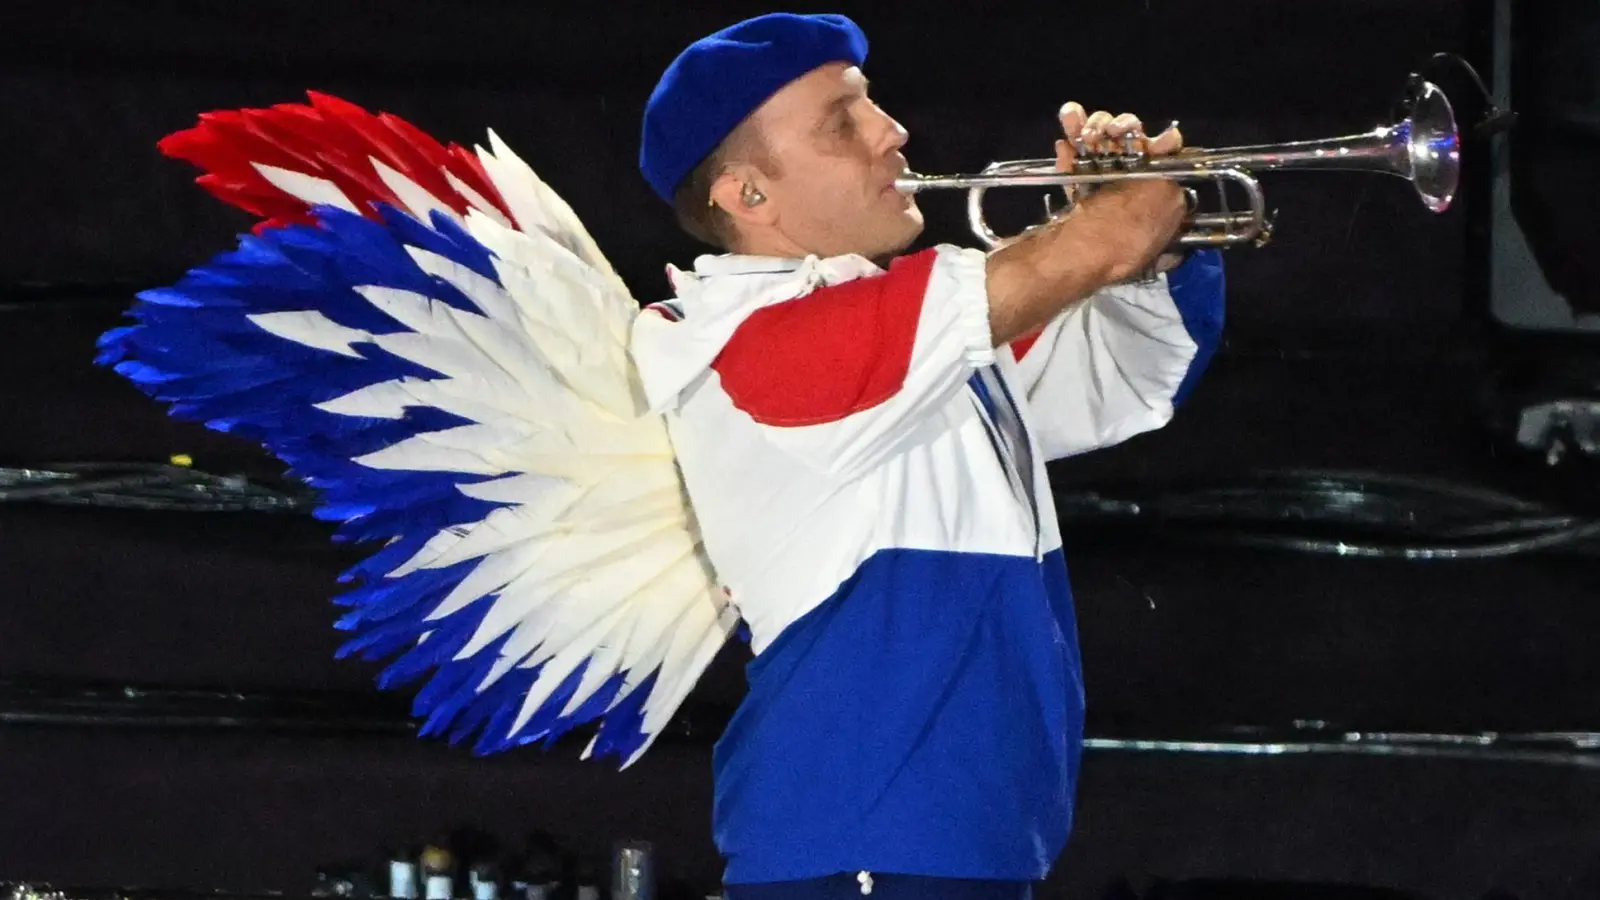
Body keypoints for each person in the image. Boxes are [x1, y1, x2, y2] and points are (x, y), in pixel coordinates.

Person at [629, 12, 1226, 900]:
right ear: (749, 196)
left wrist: (1148, 256)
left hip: (935, 841)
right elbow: (1050, 269)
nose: (891, 133)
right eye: (843, 121)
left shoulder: (906, 334)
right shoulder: (754, 346)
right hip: (872, 843)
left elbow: (1126, 381)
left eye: (874, 105)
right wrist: (1113, 226)